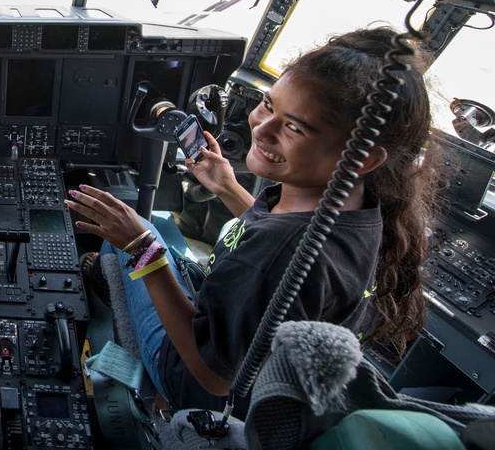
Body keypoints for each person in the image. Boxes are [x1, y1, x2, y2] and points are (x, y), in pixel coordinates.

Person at [66, 26, 439, 414]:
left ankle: (125, 299)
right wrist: (227, 187)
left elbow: (211, 376)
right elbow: (271, 235)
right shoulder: (354, 207)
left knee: (121, 238)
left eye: (294, 127)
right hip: (248, 348)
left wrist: (141, 248)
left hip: (192, 380)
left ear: (362, 158)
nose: (262, 128)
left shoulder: (277, 254)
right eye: (268, 104)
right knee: (145, 228)